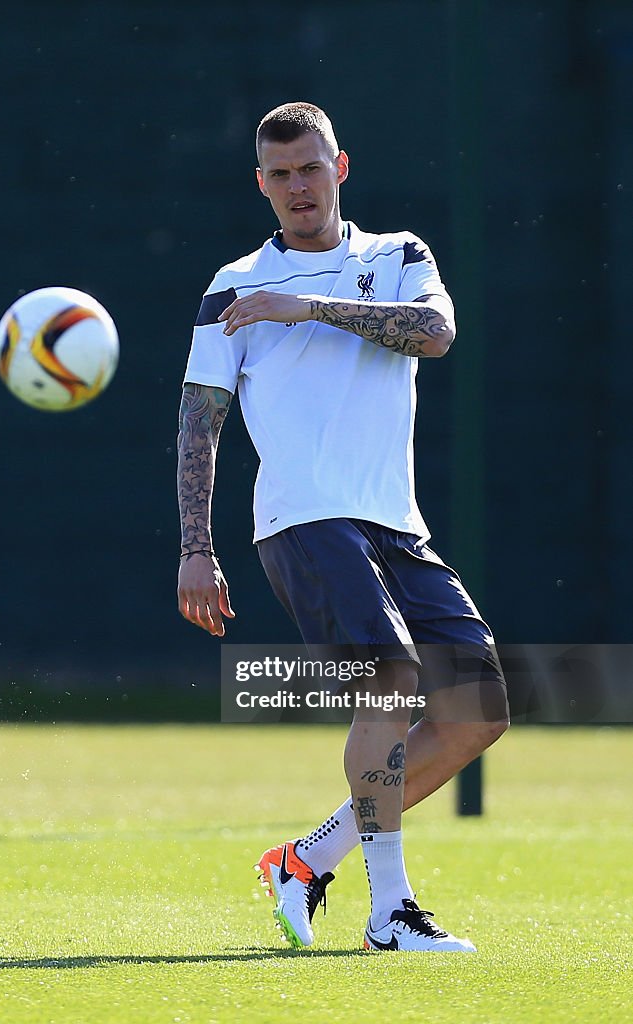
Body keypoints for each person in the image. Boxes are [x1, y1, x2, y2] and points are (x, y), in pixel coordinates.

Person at [177, 102, 509, 953]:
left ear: (340, 167)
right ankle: (389, 914)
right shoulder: (230, 286)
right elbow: (199, 424)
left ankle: (306, 859)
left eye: (309, 168)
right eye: (279, 174)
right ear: (260, 183)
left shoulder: (397, 256)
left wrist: (309, 309)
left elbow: (435, 334)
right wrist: (195, 549)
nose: (296, 186)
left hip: (396, 525)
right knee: (390, 686)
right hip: (303, 517)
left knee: (477, 713)